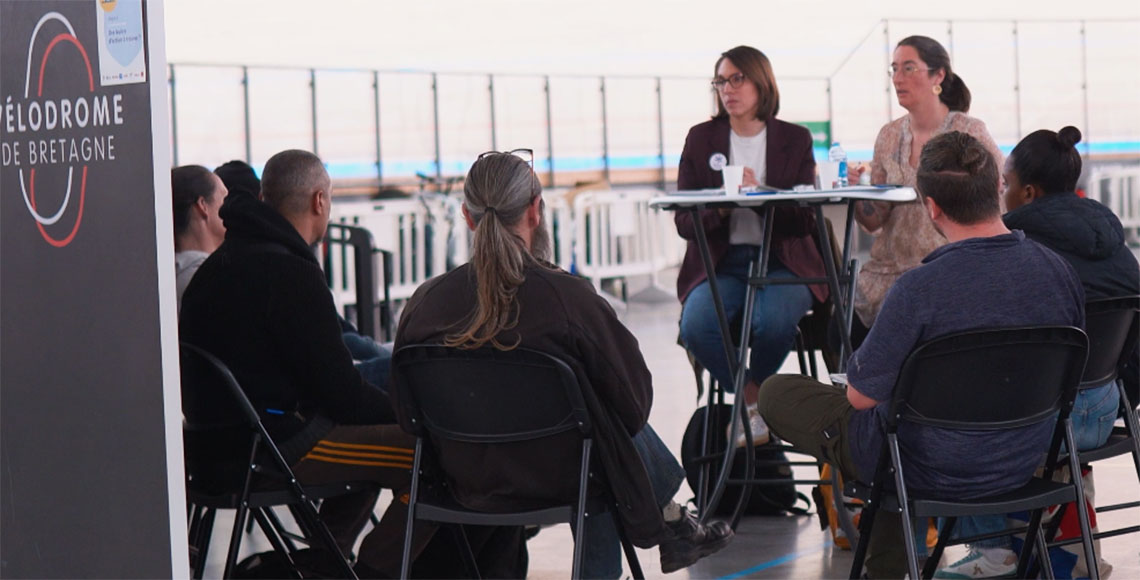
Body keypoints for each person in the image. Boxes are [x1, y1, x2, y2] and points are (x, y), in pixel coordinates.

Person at [757, 131, 1085, 579]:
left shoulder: (918, 289)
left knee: (783, 393)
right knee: (891, 426)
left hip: (929, 465)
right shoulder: (1057, 272)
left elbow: (859, 397)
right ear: (996, 189)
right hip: (1023, 457)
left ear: (931, 207)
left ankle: (889, 569)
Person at [394, 150, 734, 578]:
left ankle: (672, 517)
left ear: (467, 216)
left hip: (462, 477)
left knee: (596, 430)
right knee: (601, 436)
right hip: (564, 477)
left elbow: (406, 414)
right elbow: (634, 404)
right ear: (535, 211)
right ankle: (670, 517)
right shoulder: (568, 299)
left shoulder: (425, 303)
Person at [179, 149, 432, 578]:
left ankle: (323, 566)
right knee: (431, 458)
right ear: (319, 201)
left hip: (211, 450)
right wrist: (411, 417)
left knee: (372, 444)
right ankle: (368, 572)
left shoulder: (221, 264)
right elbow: (344, 396)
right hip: (271, 450)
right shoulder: (289, 272)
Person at [932, 126, 1140, 579]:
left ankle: (991, 548)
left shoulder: (1015, 253)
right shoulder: (1116, 244)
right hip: (1106, 410)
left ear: (1028, 192)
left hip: (1049, 418)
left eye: (1005, 183)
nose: (1001, 193)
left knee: (951, 414)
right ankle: (1074, 554)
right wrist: (1117, 396)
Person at [674, 45, 826, 447]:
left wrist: (760, 196)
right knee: (696, 325)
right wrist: (724, 207)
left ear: (761, 82)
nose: (728, 89)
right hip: (721, 264)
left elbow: (804, 221)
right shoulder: (701, 138)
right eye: (721, 81)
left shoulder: (794, 138)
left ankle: (755, 405)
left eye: (737, 79)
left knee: (773, 322)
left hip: (782, 262)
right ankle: (753, 400)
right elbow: (684, 221)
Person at [846, 35, 1003, 348]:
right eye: (894, 69)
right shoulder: (889, 135)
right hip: (887, 271)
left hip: (948, 267)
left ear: (938, 76)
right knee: (841, 329)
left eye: (909, 68)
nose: (898, 78)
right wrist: (858, 192)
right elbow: (874, 221)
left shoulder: (968, 131)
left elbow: (996, 192)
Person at [172, 165, 227, 309]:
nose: (231, 207)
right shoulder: (216, 280)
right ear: (203, 206)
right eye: (225, 199)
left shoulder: (164, 278)